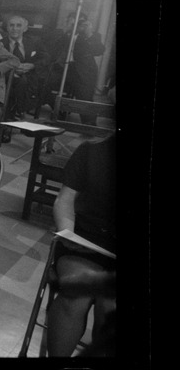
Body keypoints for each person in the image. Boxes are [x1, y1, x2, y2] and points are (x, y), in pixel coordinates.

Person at [47, 132, 116, 357]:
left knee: (110, 306)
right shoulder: (92, 150)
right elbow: (64, 200)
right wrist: (67, 234)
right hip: (88, 239)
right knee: (76, 294)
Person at [2, 15, 49, 117]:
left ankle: (13, 113)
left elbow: (46, 58)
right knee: (18, 82)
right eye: (11, 25)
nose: (15, 28)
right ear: (7, 28)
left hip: (30, 76)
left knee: (25, 82)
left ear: (25, 28)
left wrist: (32, 65)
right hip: (7, 76)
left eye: (18, 25)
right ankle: (17, 112)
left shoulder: (35, 42)